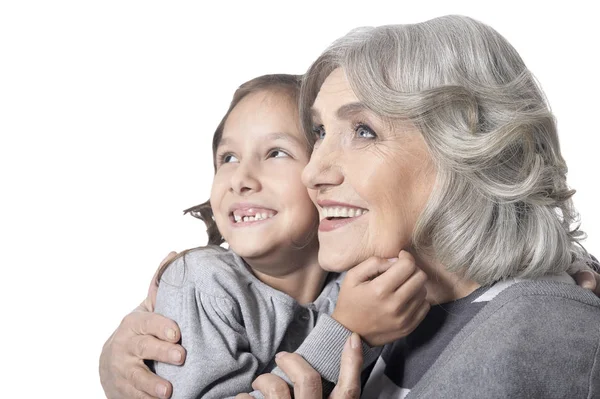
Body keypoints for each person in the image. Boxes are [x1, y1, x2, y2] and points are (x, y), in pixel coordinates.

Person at [99, 18, 600, 399]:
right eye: (318, 133)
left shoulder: (534, 333)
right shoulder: (392, 301)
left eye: (363, 131)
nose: (314, 169)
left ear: (469, 149)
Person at [115, 73, 429, 399]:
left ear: (321, 174)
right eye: (228, 158)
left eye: (276, 153)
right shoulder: (202, 281)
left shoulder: (360, 284)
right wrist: (346, 333)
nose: (241, 179)